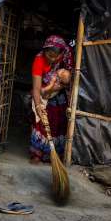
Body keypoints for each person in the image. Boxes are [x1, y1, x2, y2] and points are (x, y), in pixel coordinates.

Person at [30, 35, 73, 164]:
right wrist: (38, 107)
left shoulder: (66, 59)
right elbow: (37, 89)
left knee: (58, 122)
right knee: (41, 122)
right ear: (44, 51)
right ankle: (37, 153)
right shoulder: (39, 60)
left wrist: (55, 89)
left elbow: (68, 82)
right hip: (43, 93)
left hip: (59, 93)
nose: (52, 59)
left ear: (61, 54)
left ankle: (55, 155)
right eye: (49, 55)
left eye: (56, 56)